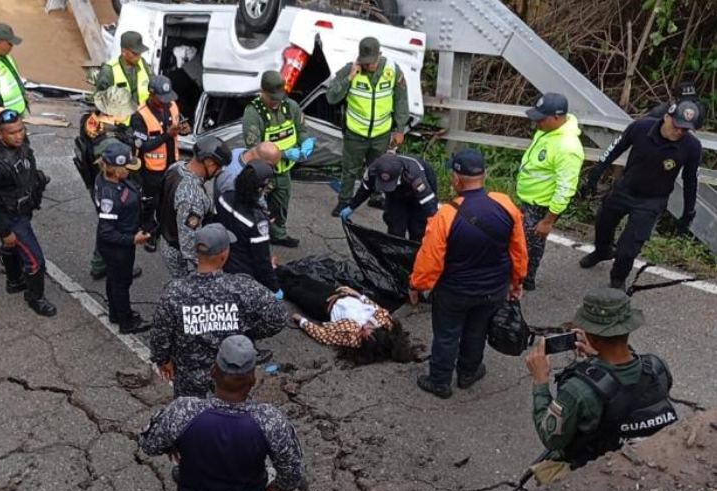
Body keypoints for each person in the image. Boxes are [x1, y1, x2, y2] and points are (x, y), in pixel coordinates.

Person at [139, 335, 304, 491]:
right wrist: (280, 488)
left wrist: (172, 444)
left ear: (213, 371)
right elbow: (292, 468)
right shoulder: (269, 420)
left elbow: (149, 445)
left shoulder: (184, 411)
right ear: (253, 379)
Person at [409, 148, 528, 399]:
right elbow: (518, 250)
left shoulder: (446, 215)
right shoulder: (505, 204)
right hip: (492, 289)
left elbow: (430, 259)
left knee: (446, 334)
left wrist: (417, 285)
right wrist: (517, 281)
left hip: (454, 291)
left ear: (456, 178)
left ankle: (440, 380)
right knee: (477, 330)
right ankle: (468, 373)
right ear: (484, 174)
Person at [525, 288, 676, 484]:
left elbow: (551, 438)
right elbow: (631, 381)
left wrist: (540, 381)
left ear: (592, 337)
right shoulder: (656, 366)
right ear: (627, 329)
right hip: (647, 459)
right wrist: (598, 357)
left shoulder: (578, 390)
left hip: (598, 471)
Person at [151, 223, 287, 398]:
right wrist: (247, 334)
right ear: (224, 255)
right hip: (231, 380)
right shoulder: (242, 287)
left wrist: (163, 360)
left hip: (189, 380)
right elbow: (279, 316)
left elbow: (160, 333)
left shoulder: (174, 292)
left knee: (191, 420)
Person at [578, 100, 702, 290]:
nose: (679, 132)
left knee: (628, 249)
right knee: (603, 224)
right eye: (677, 126)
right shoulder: (641, 127)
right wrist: (595, 174)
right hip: (625, 189)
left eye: (685, 130)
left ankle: (618, 278)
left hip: (652, 201)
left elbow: (691, 181)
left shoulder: (691, 146)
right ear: (667, 117)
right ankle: (602, 252)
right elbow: (615, 149)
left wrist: (688, 212)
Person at [0, 110, 55, 317]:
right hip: (11, 218)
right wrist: (5, 231)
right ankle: (35, 297)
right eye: (12, 133)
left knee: (12, 250)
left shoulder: (20, 144)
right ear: (0, 135)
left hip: (24, 207)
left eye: (21, 130)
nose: (19, 135)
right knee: (36, 261)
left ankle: (14, 280)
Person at [326, 37, 411, 217]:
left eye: (371, 62)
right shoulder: (350, 70)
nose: (368, 66)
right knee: (350, 170)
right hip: (355, 133)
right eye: (364, 62)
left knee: (379, 167)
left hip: (381, 133)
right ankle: (344, 201)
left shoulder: (393, 70)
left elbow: (401, 100)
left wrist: (400, 129)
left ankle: (377, 196)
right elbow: (331, 97)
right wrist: (350, 77)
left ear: (379, 55)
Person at [516, 93, 584, 291]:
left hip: (542, 206)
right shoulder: (547, 130)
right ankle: (520, 277)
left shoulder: (568, 147)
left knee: (531, 246)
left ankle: (525, 280)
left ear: (557, 117)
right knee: (522, 240)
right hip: (529, 199)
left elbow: (566, 188)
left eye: (541, 118)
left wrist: (548, 221)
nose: (536, 122)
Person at [73, 86, 139, 281]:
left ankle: (99, 262)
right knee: (114, 228)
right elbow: (122, 170)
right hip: (110, 185)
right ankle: (106, 264)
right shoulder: (111, 143)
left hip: (95, 180)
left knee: (106, 222)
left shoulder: (90, 121)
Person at [242, 71, 314, 248]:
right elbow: (255, 147)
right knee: (254, 206)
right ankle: (252, 239)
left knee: (281, 204)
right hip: (263, 171)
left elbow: (301, 128)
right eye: (272, 98)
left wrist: (305, 142)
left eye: (279, 97)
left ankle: (278, 234)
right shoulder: (253, 113)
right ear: (262, 92)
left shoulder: (291, 107)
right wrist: (283, 154)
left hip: (284, 171)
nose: (276, 102)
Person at [284, 277, 420, 364]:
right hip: (338, 294)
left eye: (365, 336)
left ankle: (272, 277)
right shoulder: (383, 321)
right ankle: (277, 268)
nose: (365, 329)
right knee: (306, 280)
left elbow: (324, 336)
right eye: (370, 330)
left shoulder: (353, 338)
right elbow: (375, 306)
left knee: (295, 291)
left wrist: (301, 321)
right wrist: (356, 294)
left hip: (322, 306)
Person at [95, 141, 152, 334]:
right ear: (118, 170)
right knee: (121, 283)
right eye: (127, 167)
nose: (130, 170)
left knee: (115, 279)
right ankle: (126, 322)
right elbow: (106, 231)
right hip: (118, 246)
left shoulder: (110, 179)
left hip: (120, 240)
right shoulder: (109, 195)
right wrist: (133, 240)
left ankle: (116, 312)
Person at [130, 75, 190, 252]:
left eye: (167, 98)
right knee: (150, 202)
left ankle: (165, 230)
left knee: (169, 200)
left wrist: (185, 130)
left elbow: (180, 125)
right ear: (151, 95)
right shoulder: (139, 116)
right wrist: (167, 135)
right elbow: (144, 145)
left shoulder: (172, 105)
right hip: (151, 169)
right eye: (161, 99)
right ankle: (149, 233)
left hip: (172, 164)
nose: (166, 103)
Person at [158, 136, 231, 278]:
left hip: (167, 238)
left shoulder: (176, 167)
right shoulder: (191, 198)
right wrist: (210, 267)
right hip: (178, 253)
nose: (220, 171)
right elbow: (189, 244)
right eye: (219, 166)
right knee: (186, 289)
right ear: (209, 162)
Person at [339, 153, 437, 241]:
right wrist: (351, 207)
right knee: (395, 227)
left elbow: (429, 204)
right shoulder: (374, 169)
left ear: (401, 172)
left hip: (421, 190)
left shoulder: (415, 175)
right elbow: (365, 189)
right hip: (397, 191)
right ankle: (396, 256)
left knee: (418, 229)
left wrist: (437, 227)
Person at [216, 161, 278, 293]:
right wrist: (274, 288)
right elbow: (262, 260)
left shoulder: (224, 197)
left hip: (223, 259)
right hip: (245, 272)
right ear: (259, 189)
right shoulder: (257, 222)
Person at [94, 31, 152, 109]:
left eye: (140, 53)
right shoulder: (109, 71)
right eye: (135, 53)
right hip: (120, 120)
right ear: (124, 51)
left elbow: (154, 86)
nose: (139, 56)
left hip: (141, 118)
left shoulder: (143, 64)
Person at [213, 142, 281, 204]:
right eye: (271, 166)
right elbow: (235, 207)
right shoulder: (233, 178)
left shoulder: (240, 151)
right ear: (263, 162)